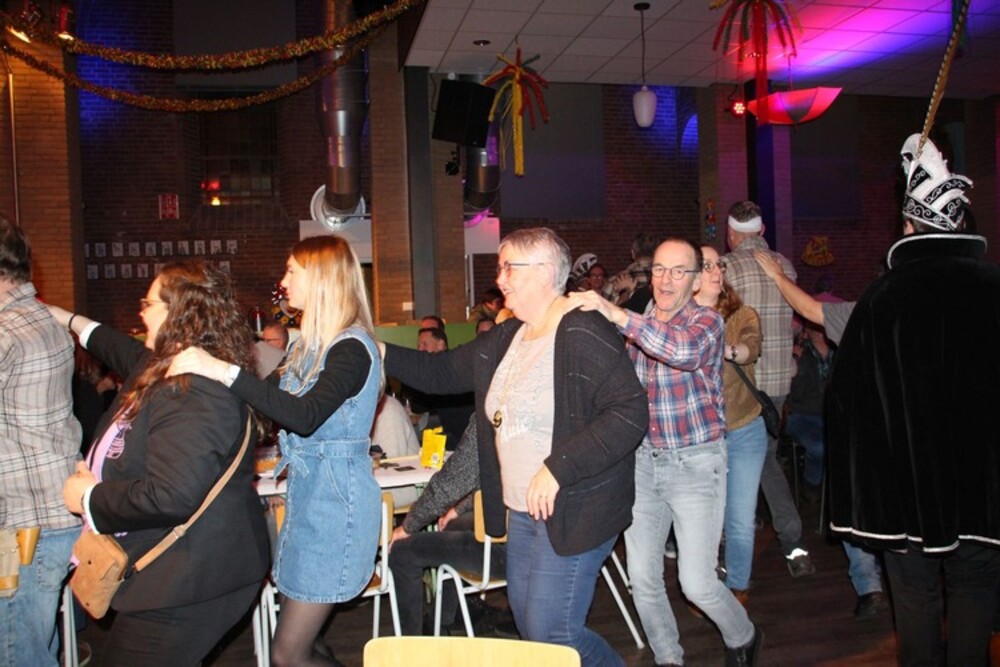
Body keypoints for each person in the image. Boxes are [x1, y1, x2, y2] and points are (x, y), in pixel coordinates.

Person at [382, 227, 648, 666]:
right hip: (523, 512)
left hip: (576, 509)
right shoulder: (509, 337)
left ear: (543, 271)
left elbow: (629, 411)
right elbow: (440, 373)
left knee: (553, 633)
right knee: (530, 626)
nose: (499, 278)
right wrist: (377, 350)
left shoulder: (582, 328)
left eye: (509, 268)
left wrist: (558, 467)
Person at [168, 235, 384, 667]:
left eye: (291, 272)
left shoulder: (352, 348)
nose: (283, 282)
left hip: (337, 508)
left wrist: (223, 370)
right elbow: (261, 409)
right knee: (309, 645)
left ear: (321, 279)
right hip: (309, 501)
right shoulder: (304, 349)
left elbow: (304, 416)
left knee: (288, 653)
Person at [826, 134, 1000, 665]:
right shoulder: (994, 286)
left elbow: (849, 403)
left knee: (915, 595)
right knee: (976, 587)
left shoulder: (884, 297)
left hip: (906, 491)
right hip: (985, 486)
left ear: (908, 225)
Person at [51, 261, 269, 665]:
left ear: (179, 313)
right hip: (178, 571)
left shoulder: (192, 390)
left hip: (193, 577)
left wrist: (89, 497)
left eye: (147, 304)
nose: (141, 313)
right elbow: (117, 347)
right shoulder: (168, 370)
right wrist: (67, 319)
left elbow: (171, 495)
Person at [569, 238, 762, 667]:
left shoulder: (707, 322)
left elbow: (682, 352)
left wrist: (616, 313)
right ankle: (668, 657)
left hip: (696, 464)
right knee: (642, 578)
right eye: (659, 269)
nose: (666, 279)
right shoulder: (636, 326)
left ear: (695, 281)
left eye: (679, 271)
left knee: (697, 584)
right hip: (642, 464)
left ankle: (745, 635)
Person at [752, 251, 889, 622]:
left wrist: (778, 277)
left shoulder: (855, 337)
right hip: (815, 420)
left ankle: (878, 586)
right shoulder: (819, 345)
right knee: (833, 466)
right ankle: (871, 587)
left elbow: (812, 310)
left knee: (863, 500)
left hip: (867, 430)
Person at [0, 217, 83, 667]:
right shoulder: (42, 318)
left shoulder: (6, 331)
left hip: (22, 524)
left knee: (17, 653)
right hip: (46, 513)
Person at [723, 201, 815, 578]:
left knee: (738, 464)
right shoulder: (785, 266)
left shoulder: (727, 268)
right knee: (765, 460)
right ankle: (791, 542)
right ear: (761, 231)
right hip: (778, 386)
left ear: (731, 234)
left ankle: (749, 544)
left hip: (743, 386)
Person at [389, 417, 510, 636]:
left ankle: (413, 644)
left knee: (401, 551)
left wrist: (407, 526)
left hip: (509, 554)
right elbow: (500, 482)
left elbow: (448, 485)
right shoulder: (536, 411)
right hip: (538, 545)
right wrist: (459, 509)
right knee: (453, 524)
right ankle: (441, 621)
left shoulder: (489, 417)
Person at [693, 246, 766, 604]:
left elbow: (750, 348)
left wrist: (719, 344)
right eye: (706, 266)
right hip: (699, 437)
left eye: (718, 264)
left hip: (744, 431)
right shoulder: (676, 321)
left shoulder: (742, 314)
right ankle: (704, 587)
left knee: (739, 518)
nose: (716, 271)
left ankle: (738, 587)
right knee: (703, 520)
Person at [602, 231, 658, 312]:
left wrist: (625, 293)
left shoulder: (616, 281)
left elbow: (602, 315)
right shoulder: (665, 280)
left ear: (632, 253)